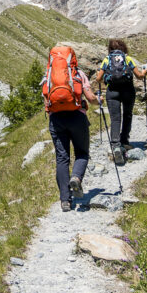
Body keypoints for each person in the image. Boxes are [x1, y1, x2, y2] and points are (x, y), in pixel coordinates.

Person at [41, 45, 100, 212]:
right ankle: (76, 177)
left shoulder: (48, 76)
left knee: (62, 158)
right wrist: (98, 100)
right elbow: (89, 97)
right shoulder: (78, 74)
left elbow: (46, 100)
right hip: (77, 117)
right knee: (82, 152)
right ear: (72, 59)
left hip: (56, 120)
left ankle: (65, 201)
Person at [92, 38, 147, 165]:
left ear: (110, 49)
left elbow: (99, 79)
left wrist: (103, 78)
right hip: (128, 91)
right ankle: (125, 141)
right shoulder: (127, 59)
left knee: (115, 118)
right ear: (123, 48)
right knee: (127, 115)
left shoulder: (107, 60)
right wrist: (145, 72)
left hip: (112, 92)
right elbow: (139, 76)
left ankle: (116, 145)